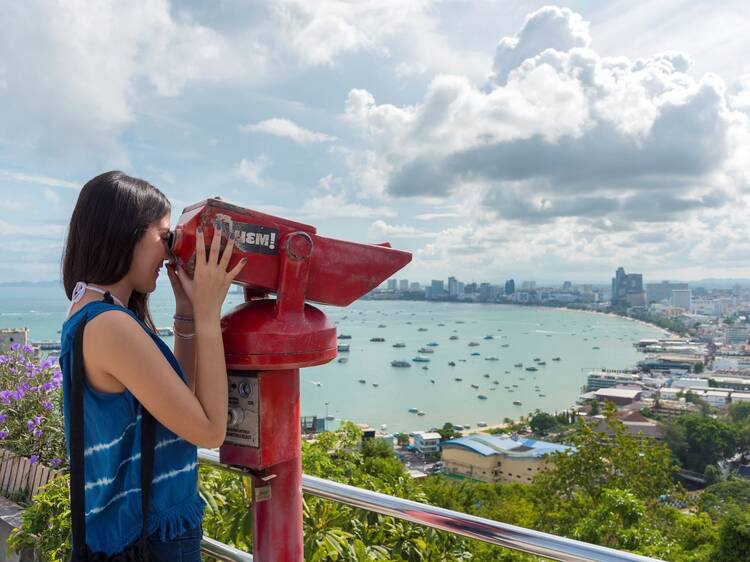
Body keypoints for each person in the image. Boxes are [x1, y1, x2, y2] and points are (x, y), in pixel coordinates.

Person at [60, 171, 246, 561]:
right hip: (151, 540)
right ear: (126, 233)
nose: (169, 253)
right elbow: (210, 430)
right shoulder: (110, 325)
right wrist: (211, 315)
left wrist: (188, 314)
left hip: (142, 535)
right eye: (165, 237)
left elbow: (178, 407)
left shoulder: (93, 313)